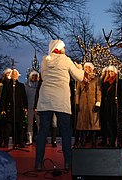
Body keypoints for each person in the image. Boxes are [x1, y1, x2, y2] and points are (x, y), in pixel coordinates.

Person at [35, 39, 84, 171]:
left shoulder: (45, 60)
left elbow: (44, 76)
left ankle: (38, 163)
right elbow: (79, 77)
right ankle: (68, 162)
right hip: (61, 99)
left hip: (45, 98)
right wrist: (80, 68)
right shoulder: (66, 60)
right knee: (66, 132)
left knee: (43, 131)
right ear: (61, 48)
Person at [75, 62, 101, 148]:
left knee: (93, 122)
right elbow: (77, 92)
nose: (87, 69)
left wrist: (98, 102)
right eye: (86, 67)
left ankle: (93, 141)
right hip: (83, 104)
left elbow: (98, 91)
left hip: (92, 103)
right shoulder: (81, 79)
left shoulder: (96, 79)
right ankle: (82, 140)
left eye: (89, 67)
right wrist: (77, 103)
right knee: (82, 122)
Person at [0, 69, 28, 148]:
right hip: (9, 109)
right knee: (8, 127)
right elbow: (3, 98)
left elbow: (24, 97)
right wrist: (2, 109)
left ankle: (19, 142)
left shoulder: (21, 86)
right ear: (11, 75)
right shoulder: (7, 85)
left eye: (16, 74)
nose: (14, 75)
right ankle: (6, 143)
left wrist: (25, 107)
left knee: (19, 127)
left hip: (19, 109)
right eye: (13, 74)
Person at [100, 65, 122, 148]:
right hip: (108, 106)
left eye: (112, 72)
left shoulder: (119, 82)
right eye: (109, 72)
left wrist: (121, 105)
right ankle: (111, 141)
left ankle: (120, 142)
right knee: (110, 124)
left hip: (117, 106)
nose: (110, 73)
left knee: (118, 124)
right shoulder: (106, 82)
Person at [25, 70, 40, 146]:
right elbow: (25, 96)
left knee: (39, 123)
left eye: (35, 76)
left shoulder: (39, 85)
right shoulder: (27, 85)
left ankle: (41, 138)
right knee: (29, 123)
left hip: (38, 107)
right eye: (33, 76)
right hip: (29, 106)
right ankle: (29, 138)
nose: (34, 77)